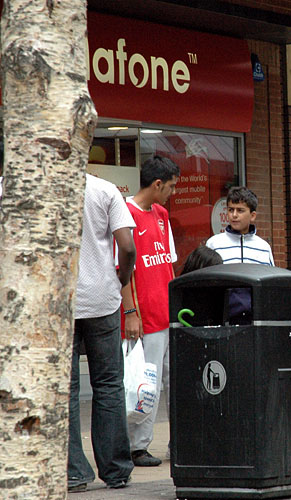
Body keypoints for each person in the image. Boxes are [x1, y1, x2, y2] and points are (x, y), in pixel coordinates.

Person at [68, 175, 137, 492]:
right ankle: (116, 470)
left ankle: (74, 472)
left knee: (65, 389)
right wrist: (122, 279)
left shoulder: (38, 184)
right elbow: (127, 246)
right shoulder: (104, 189)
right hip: (102, 298)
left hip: (57, 300)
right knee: (109, 385)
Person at [121, 155, 180, 467]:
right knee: (147, 384)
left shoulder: (161, 214)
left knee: (174, 382)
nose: (173, 192)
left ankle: (178, 442)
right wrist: (131, 312)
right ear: (157, 184)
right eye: (170, 186)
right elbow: (123, 270)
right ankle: (138, 446)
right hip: (144, 318)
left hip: (167, 313)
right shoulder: (126, 214)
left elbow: (167, 261)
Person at [206, 186, 274, 266]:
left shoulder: (264, 248)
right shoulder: (213, 244)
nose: (234, 215)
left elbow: (270, 273)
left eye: (240, 210)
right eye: (231, 210)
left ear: (252, 216)